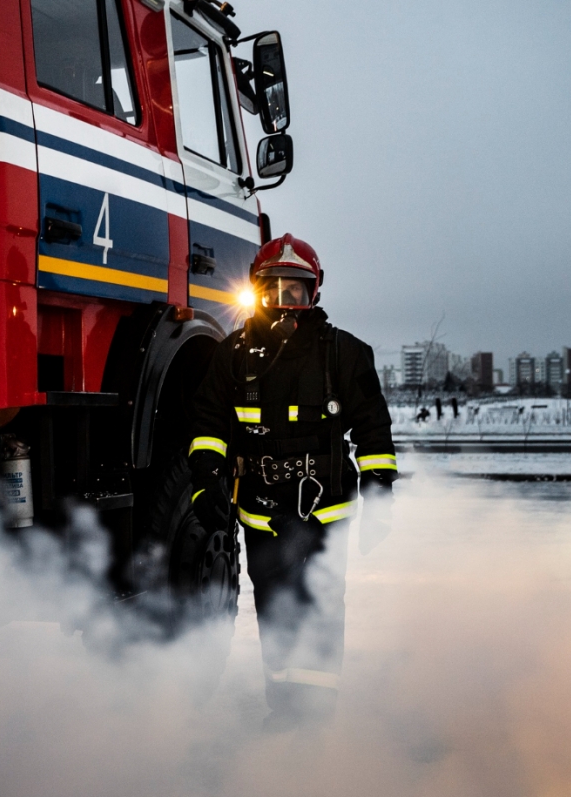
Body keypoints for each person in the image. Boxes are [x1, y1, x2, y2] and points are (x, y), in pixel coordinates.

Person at [186, 234, 397, 731]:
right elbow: (208, 422)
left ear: (314, 294)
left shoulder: (344, 353)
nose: (284, 302)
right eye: (273, 290)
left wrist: (381, 490)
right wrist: (204, 481)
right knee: (274, 604)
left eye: (296, 292)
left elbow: (373, 426)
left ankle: (315, 715)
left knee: (321, 603)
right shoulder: (232, 355)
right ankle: (283, 706)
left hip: (325, 509)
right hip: (259, 509)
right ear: (256, 292)